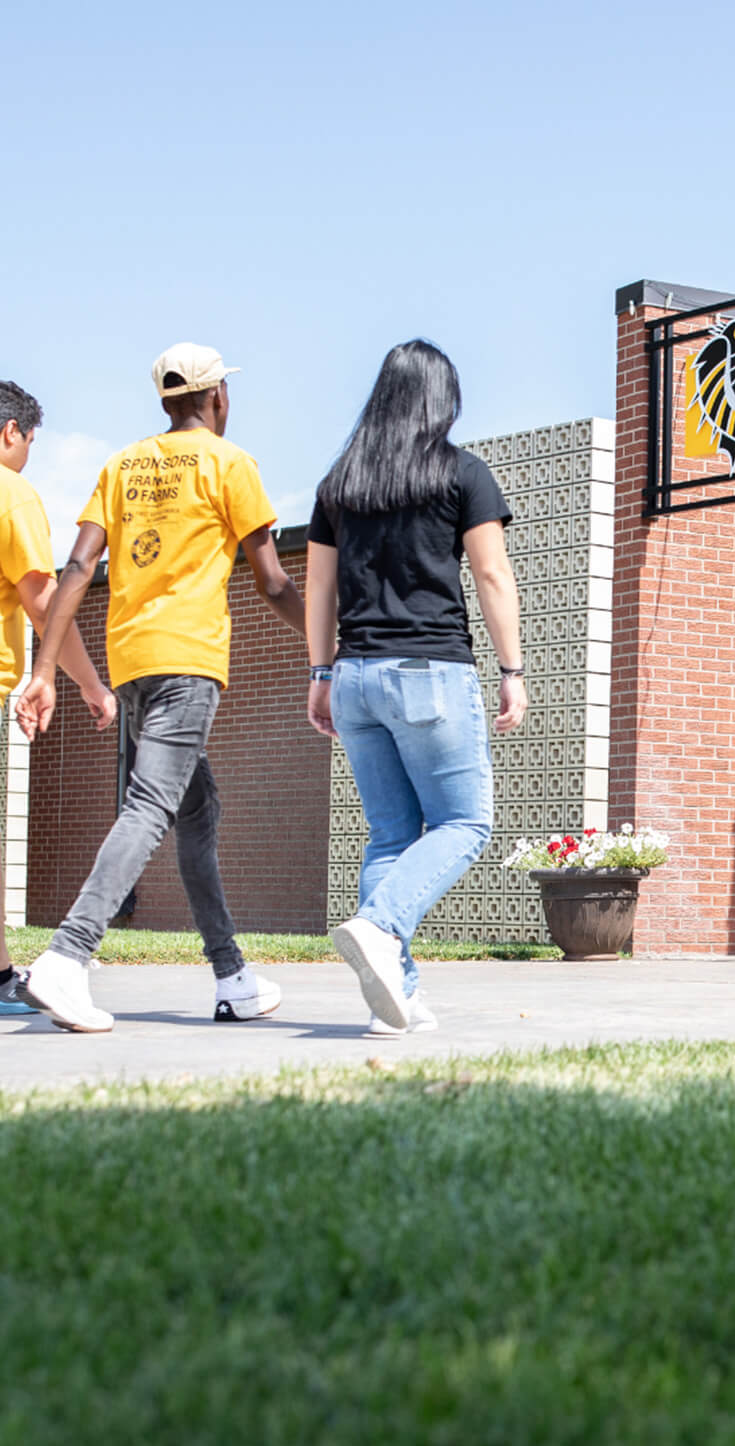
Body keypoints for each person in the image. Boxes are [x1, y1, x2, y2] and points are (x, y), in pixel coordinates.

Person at [14, 344, 305, 1033]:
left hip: (134, 663)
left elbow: (79, 566)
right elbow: (272, 580)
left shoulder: (121, 465)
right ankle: (67, 957)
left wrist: (44, 668)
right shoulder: (231, 464)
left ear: (167, 400)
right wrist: (331, 642)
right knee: (150, 807)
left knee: (196, 810)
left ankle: (232, 976)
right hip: (189, 660)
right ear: (218, 398)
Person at [306, 339, 525, 1036]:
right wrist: (512, 670)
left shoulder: (341, 482)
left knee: (392, 834)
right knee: (466, 823)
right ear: (442, 399)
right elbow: (491, 576)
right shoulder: (461, 473)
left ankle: (392, 1000)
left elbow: (318, 585)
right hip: (429, 673)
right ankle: (380, 925)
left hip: (354, 677)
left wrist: (320, 672)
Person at [0, 380, 115, 1015]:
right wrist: (89, 684)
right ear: (12, 431)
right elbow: (43, 600)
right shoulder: (5, 490)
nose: (28, 453)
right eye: (31, 441)